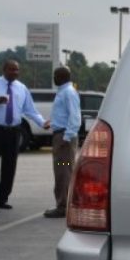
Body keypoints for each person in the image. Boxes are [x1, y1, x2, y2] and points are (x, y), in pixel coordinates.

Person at [0, 60, 49, 211]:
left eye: (17, 70)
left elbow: (30, 110)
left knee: (10, 167)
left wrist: (42, 122)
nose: (15, 72)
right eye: (11, 69)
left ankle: (2, 199)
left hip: (13, 132)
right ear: (4, 70)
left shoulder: (22, 88)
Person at [44, 66, 81, 219]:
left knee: (63, 171)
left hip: (64, 139)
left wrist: (67, 137)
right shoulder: (64, 91)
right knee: (64, 171)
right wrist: (51, 123)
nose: (53, 78)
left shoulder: (68, 92)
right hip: (61, 136)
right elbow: (64, 115)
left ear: (62, 77)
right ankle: (66, 203)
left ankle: (63, 206)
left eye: (55, 75)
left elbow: (75, 117)